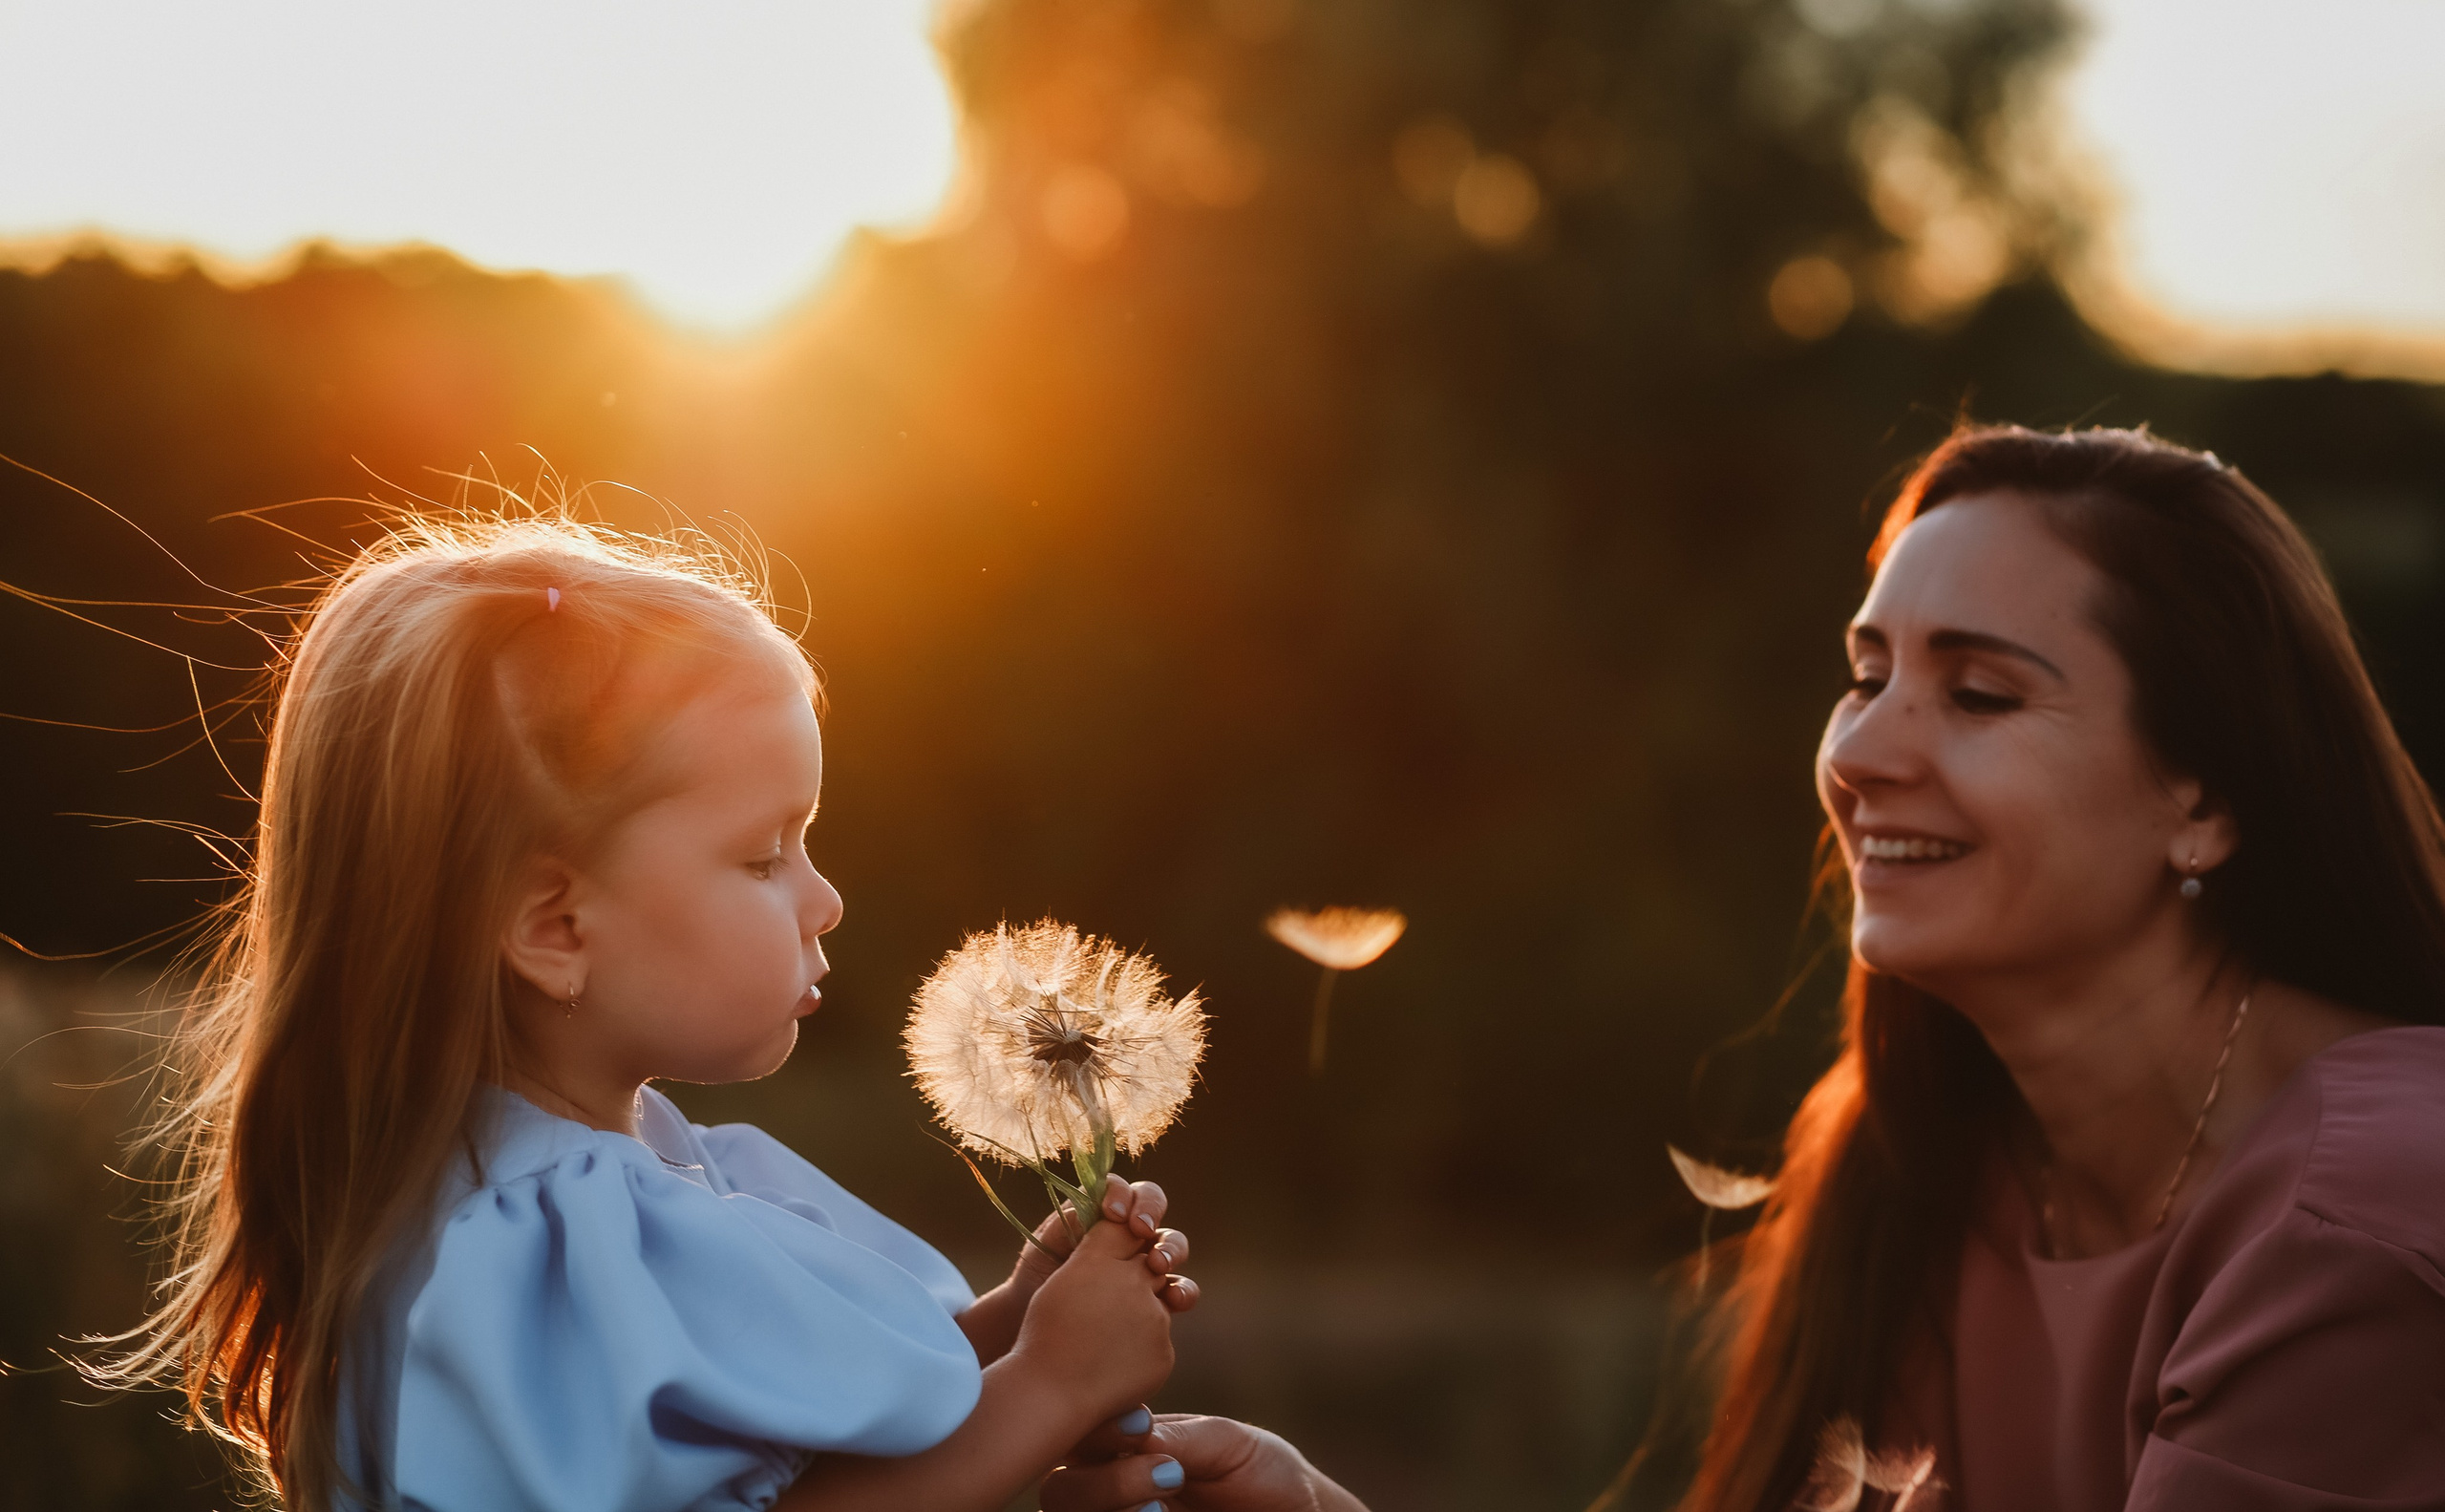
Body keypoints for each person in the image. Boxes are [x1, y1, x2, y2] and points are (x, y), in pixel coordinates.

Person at [1046, 423, 2445, 1512]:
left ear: (2203, 796)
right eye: (1866, 673)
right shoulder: (1925, 1167)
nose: (1863, 752)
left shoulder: (2367, 1211)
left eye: (1979, 693)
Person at [89, 516, 1199, 1512]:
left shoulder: (556, 1198)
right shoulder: (542, 1247)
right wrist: (1049, 1388)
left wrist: (1013, 1321)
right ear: (556, 930)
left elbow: (767, 1440)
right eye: (762, 855)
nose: (825, 897)